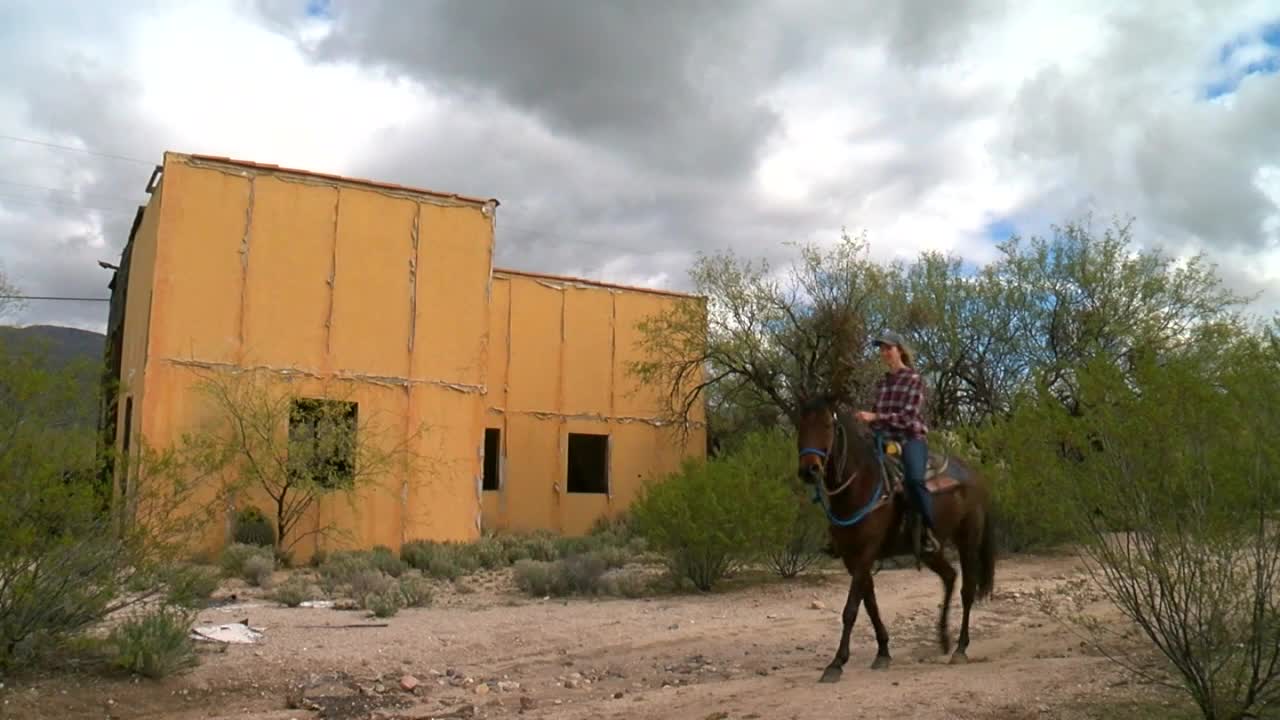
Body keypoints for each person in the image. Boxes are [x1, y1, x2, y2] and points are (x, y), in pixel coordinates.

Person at [853, 330, 939, 554]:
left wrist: (876, 417)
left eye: (888, 348)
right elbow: (876, 416)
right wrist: (866, 423)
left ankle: (930, 531)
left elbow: (908, 417)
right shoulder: (882, 384)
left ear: (899, 350)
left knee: (913, 479)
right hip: (883, 440)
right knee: (852, 470)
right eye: (881, 349)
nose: (884, 353)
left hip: (910, 438)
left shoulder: (914, 380)